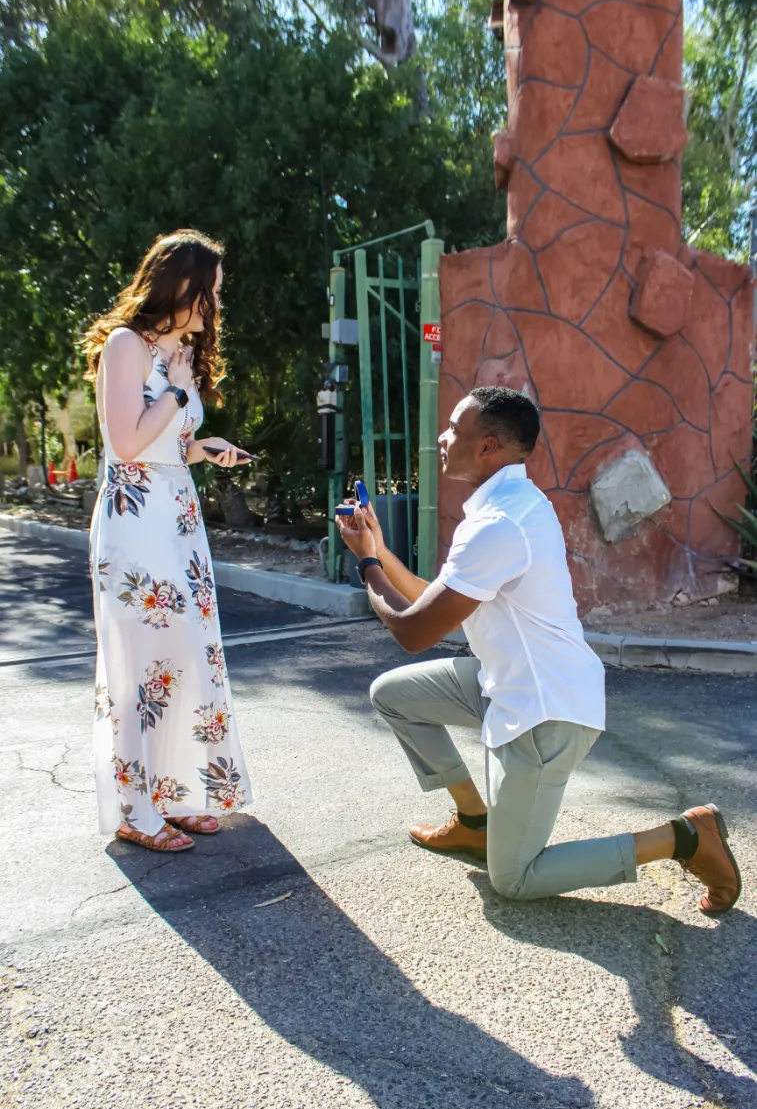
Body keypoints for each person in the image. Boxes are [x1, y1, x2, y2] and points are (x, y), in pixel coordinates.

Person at [335, 386, 742, 915]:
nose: (442, 437)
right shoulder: (508, 506)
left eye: (454, 429)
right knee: (394, 694)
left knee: (515, 879)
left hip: (544, 710)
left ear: (488, 447)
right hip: (505, 683)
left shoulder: (499, 525)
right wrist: (379, 549)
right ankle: (475, 822)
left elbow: (414, 632)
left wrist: (366, 564)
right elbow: (430, 601)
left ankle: (685, 836)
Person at [82, 229, 253, 852]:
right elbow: (127, 442)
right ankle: (134, 809)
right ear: (180, 285)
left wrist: (203, 448)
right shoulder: (126, 345)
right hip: (136, 524)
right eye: (211, 289)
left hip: (178, 519)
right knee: (142, 662)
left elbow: (166, 444)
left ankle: (176, 793)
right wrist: (178, 390)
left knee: (183, 655)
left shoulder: (180, 352)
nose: (216, 302)